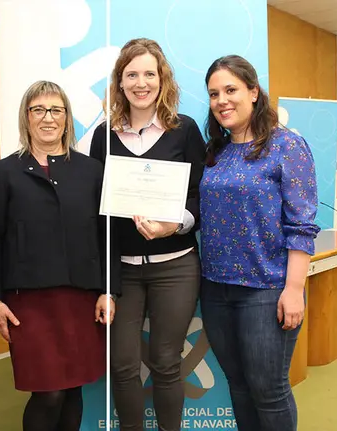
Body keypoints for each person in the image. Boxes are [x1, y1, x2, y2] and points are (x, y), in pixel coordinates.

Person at [0, 80, 114, 431]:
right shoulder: (6, 172)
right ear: (26, 119)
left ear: (67, 119)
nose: (48, 118)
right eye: (38, 110)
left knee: (72, 391)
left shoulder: (90, 171)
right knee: (48, 393)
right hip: (29, 305)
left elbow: (106, 237)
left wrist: (108, 290)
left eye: (56, 110)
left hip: (81, 300)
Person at [199, 54, 321, 431]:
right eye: (214, 93)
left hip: (266, 289)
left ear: (254, 92)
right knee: (238, 385)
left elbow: (301, 224)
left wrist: (294, 290)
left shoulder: (287, 146)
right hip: (216, 289)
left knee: (269, 390)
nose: (222, 100)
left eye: (231, 89)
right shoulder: (214, 152)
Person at [89, 38, 205, 431]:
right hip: (122, 272)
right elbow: (96, 211)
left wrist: (178, 223)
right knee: (122, 366)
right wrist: (104, 281)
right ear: (120, 83)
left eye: (149, 74)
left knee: (166, 362)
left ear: (162, 80)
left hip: (176, 267)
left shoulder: (184, 130)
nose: (141, 83)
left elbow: (201, 196)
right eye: (132, 74)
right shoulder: (103, 136)